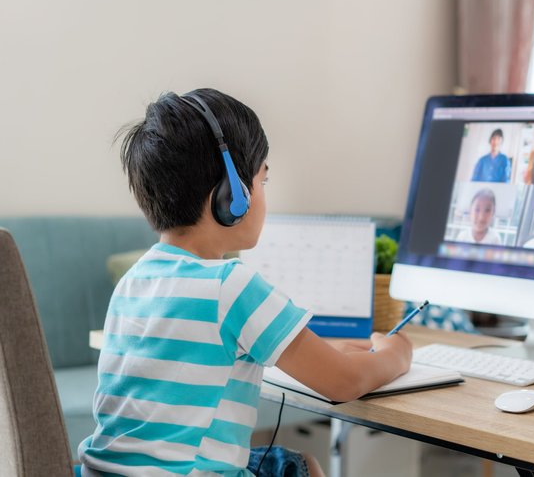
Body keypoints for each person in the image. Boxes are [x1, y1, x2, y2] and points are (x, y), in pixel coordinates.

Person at [77, 89, 412, 477]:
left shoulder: (134, 280)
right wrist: (396, 352)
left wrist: (322, 349)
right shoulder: (230, 285)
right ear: (232, 196)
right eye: (262, 182)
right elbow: (345, 382)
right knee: (300, 467)